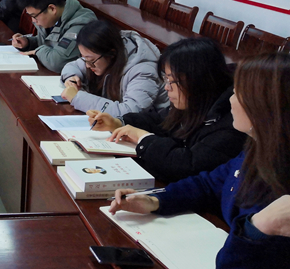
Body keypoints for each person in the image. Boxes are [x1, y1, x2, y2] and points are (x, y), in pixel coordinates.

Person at [109, 53, 290, 268]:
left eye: (238, 93)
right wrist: (155, 200)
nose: (231, 100)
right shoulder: (258, 149)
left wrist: (257, 228)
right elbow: (208, 185)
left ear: (264, 105)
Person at [88, 38, 246, 182]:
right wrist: (118, 122)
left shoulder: (232, 123)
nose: (166, 87)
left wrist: (143, 138)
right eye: (166, 79)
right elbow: (158, 121)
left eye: (172, 81)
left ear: (197, 81)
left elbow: (188, 167)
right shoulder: (194, 102)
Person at [60, 20, 169, 118]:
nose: (88, 65)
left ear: (111, 54)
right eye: (84, 59)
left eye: (90, 60)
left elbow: (130, 113)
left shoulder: (143, 71)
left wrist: (78, 98)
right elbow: (73, 66)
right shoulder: (102, 56)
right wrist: (71, 78)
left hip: (156, 129)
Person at [11, 0, 97, 73]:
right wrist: (28, 42)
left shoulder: (81, 24)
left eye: (34, 16)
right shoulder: (51, 18)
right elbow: (47, 43)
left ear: (52, 9)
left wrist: (36, 51)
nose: (33, 21)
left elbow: (57, 62)